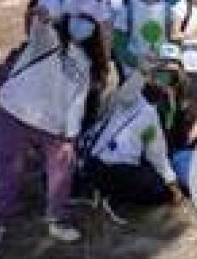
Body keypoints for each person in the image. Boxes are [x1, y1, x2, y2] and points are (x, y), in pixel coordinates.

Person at [0, 5, 109, 258]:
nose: (82, 25)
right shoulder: (48, 41)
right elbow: (39, 28)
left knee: (62, 170)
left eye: (88, 22)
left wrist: (70, 136)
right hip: (15, 110)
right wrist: (43, 17)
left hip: (52, 124)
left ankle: (57, 219)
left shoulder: (85, 63)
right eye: (78, 19)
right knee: (10, 172)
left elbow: (76, 103)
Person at [77, 71, 180, 222]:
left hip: (90, 163)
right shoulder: (148, 114)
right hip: (117, 171)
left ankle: (98, 191)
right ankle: (114, 198)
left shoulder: (123, 100)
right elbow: (157, 156)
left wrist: (143, 71)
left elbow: (127, 91)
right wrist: (172, 185)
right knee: (156, 187)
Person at [111, 0, 170, 77]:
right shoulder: (127, 10)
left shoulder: (166, 9)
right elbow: (118, 45)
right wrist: (137, 62)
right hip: (132, 73)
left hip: (159, 71)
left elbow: (168, 39)